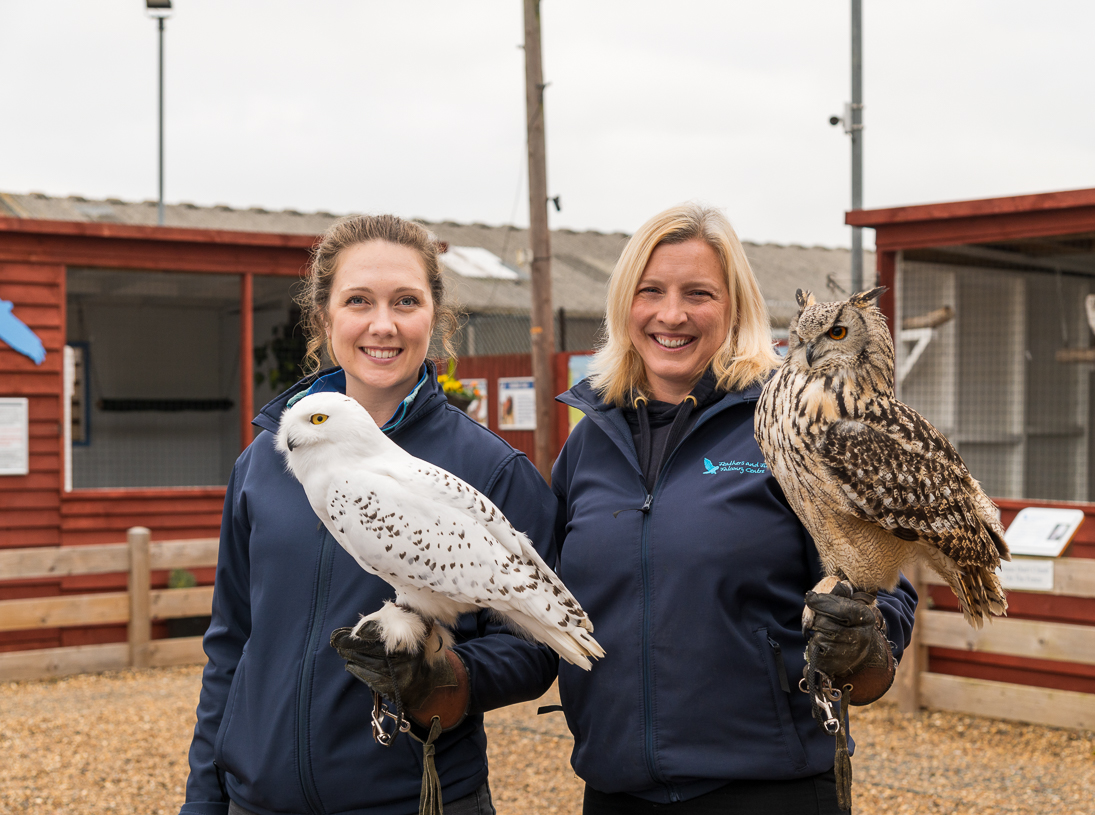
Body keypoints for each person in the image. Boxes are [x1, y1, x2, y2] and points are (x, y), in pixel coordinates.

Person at [181, 214, 558, 815]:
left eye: (406, 301)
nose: (383, 324)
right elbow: (231, 644)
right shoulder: (266, 460)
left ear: (434, 314)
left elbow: (536, 647)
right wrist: (205, 798)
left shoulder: (489, 468)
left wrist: (449, 679)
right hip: (260, 802)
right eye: (359, 300)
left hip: (412, 800)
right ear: (325, 316)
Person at [551, 203, 918, 814]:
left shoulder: (790, 422)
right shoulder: (588, 441)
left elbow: (879, 576)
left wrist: (868, 644)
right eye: (651, 291)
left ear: (735, 307)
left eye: (699, 293)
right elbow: (548, 601)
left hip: (768, 787)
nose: (672, 314)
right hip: (616, 789)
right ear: (624, 304)